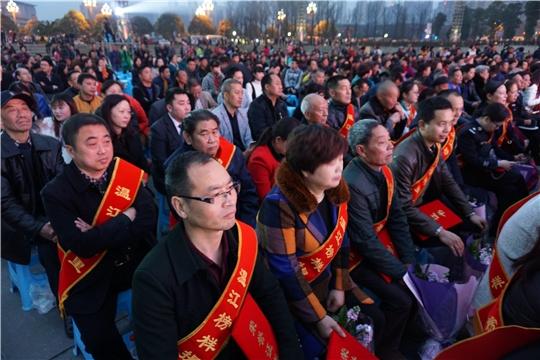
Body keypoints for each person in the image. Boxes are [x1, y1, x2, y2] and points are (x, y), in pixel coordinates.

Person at [132, 151, 303, 359]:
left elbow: (270, 296)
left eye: (230, 188)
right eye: (214, 195)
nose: (229, 201)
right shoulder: (153, 278)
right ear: (180, 206)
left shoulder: (243, 238)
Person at [257, 125, 383, 359]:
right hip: (293, 294)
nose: (339, 167)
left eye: (339, 158)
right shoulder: (278, 206)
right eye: (330, 162)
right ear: (305, 169)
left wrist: (339, 284)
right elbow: (286, 271)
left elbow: (341, 239)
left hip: (327, 279)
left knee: (374, 317)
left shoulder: (334, 189)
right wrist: (318, 316)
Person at [41, 113, 156, 360]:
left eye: (106, 141)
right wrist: (125, 218)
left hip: (137, 261)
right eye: (92, 144)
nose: (103, 150)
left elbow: (148, 221)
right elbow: (82, 246)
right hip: (90, 274)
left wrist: (99, 232)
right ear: (71, 150)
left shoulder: (124, 172)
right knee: (101, 341)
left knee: (171, 316)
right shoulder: (56, 192)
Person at [344, 119, 417, 359]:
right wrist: (400, 271)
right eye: (382, 142)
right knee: (402, 300)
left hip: (376, 244)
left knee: (414, 282)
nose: (391, 146)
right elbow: (364, 241)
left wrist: (407, 258)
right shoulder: (353, 182)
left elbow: (396, 216)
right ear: (361, 150)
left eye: (389, 140)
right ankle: (387, 350)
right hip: (355, 257)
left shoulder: (384, 170)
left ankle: (403, 340)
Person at [391, 97, 486, 255]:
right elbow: (403, 206)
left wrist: (469, 212)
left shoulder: (433, 143)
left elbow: (447, 181)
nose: (447, 129)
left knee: (471, 225)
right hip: (405, 214)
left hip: (423, 204)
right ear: (422, 125)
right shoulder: (404, 157)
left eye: (449, 123)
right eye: (441, 124)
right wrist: (439, 231)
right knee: (452, 243)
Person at [1, 91, 64, 321]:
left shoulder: (49, 144)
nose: (22, 114)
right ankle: (65, 308)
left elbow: (63, 185)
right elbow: (5, 204)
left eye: (25, 108)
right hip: (18, 226)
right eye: (12, 109)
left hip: (52, 217)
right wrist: (40, 228)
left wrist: (60, 219)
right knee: (51, 254)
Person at [165, 110, 258, 227]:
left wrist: (245, 225)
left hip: (236, 222)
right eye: (204, 134)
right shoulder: (177, 167)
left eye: (215, 132)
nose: (212, 140)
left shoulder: (232, 154)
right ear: (188, 137)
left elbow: (248, 193)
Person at [457, 103, 529, 230]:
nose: (497, 129)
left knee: (518, 179)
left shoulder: (488, 129)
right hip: (474, 174)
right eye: (496, 125)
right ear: (486, 119)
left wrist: (513, 158)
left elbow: (495, 148)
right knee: (509, 190)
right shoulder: (468, 132)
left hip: (489, 167)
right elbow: (473, 161)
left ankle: (521, 212)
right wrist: (498, 163)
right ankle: (499, 226)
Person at [150, 87, 191, 196]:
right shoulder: (158, 129)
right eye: (182, 104)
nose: (187, 108)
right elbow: (161, 163)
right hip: (169, 178)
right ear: (169, 107)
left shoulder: (190, 123)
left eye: (188, 103)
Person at [247, 117, 299, 201]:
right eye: (292, 144)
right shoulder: (259, 159)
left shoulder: (283, 152)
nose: (295, 149)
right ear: (278, 140)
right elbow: (266, 198)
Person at [100, 94, 149, 173]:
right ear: (108, 112)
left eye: (129, 112)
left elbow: (141, 159)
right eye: (121, 112)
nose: (126, 116)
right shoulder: (103, 139)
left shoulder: (133, 133)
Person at [212, 79, 253, 152]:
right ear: (226, 95)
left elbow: (248, 139)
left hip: (245, 153)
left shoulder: (243, 114)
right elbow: (219, 145)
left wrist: (250, 149)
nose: (241, 97)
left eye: (242, 93)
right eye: (237, 93)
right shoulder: (215, 116)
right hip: (227, 155)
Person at [36, 93, 78, 163]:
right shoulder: (47, 122)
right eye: (54, 108)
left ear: (71, 106)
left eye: (61, 108)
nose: (57, 111)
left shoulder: (80, 123)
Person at [247, 73, 288, 141]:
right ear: (267, 87)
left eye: (281, 84)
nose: (281, 87)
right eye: (277, 84)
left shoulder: (282, 104)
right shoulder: (257, 106)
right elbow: (259, 133)